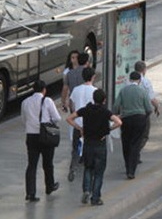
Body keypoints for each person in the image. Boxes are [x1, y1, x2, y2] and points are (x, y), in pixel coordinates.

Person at [67, 89, 122, 206]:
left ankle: (86, 190)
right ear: (104, 100)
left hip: (88, 144)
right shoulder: (105, 112)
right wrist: (108, 130)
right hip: (100, 145)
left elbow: (69, 118)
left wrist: (80, 128)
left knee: (88, 168)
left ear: (93, 98)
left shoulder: (86, 110)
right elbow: (118, 122)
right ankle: (95, 198)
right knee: (99, 172)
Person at [21, 80, 61, 202]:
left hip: (31, 136)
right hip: (46, 136)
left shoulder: (25, 102)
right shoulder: (47, 101)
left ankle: (30, 193)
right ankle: (49, 186)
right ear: (44, 90)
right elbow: (57, 118)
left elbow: (24, 119)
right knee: (48, 163)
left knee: (32, 165)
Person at [112, 71, 153, 180]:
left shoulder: (123, 90)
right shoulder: (142, 91)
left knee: (126, 143)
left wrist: (117, 114)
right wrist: (145, 117)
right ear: (139, 81)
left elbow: (116, 106)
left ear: (129, 80)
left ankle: (127, 167)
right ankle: (132, 171)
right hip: (139, 119)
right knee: (135, 144)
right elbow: (149, 108)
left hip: (126, 119)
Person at [64, 52, 91, 182]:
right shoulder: (88, 74)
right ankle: (85, 161)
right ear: (87, 62)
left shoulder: (69, 74)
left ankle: (73, 166)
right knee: (88, 142)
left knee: (76, 143)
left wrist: (71, 110)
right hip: (87, 114)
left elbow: (67, 92)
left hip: (76, 111)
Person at [134, 60, 160, 155]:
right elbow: (152, 98)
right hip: (142, 113)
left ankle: (133, 152)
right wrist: (157, 107)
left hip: (129, 112)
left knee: (133, 135)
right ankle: (135, 152)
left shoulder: (128, 81)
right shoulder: (146, 82)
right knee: (144, 135)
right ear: (144, 70)